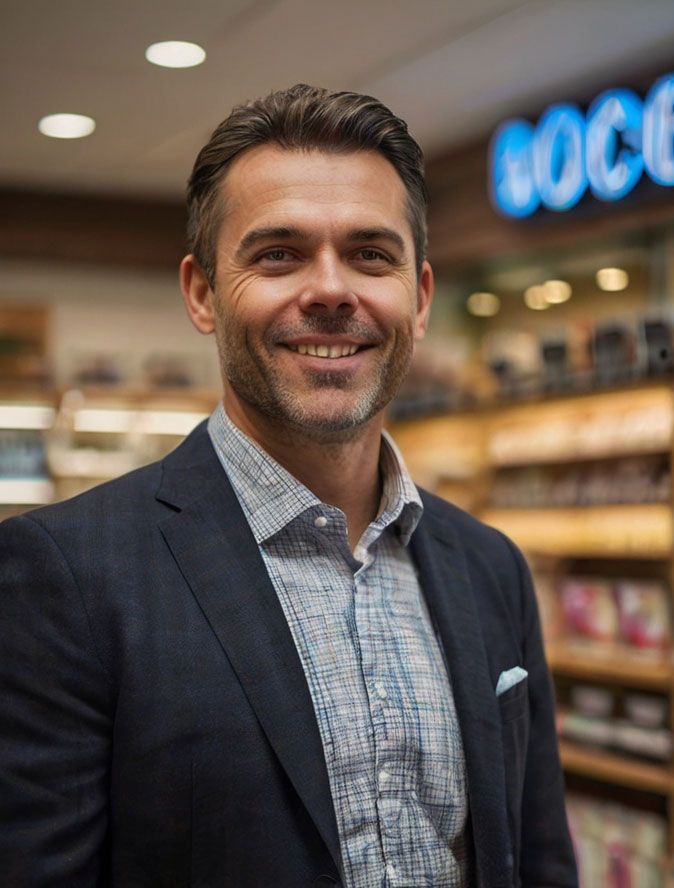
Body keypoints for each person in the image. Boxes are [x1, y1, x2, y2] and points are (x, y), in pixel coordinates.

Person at [0, 84, 577, 888]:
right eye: (279, 254)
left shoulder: (490, 567)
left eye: (370, 255)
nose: (332, 290)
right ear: (202, 293)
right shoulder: (65, 576)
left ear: (418, 298)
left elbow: (538, 858)